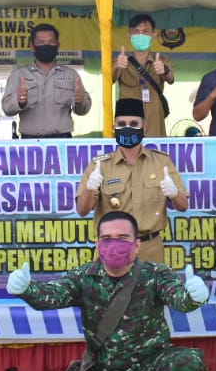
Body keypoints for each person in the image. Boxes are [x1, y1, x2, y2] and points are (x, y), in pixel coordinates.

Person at [6, 211, 209, 371]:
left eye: (122, 237)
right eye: (107, 238)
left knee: (188, 363)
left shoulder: (155, 274)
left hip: (151, 367)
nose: (114, 244)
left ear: (136, 244)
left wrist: (194, 296)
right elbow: (50, 296)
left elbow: (179, 298)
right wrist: (26, 289)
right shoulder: (84, 277)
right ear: (98, 244)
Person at [76, 98, 188, 265]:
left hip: (150, 250)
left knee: (151, 291)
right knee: (109, 292)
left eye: (133, 123)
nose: (127, 127)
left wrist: (174, 193)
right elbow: (82, 210)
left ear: (145, 127)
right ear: (114, 127)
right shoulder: (99, 165)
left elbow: (183, 206)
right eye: (121, 123)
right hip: (111, 249)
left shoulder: (161, 162)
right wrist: (89, 189)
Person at [1, 23, 91, 138]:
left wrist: (80, 101)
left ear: (58, 45)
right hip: (30, 141)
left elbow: (83, 110)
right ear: (32, 46)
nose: (47, 46)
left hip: (62, 141)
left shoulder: (71, 75)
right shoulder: (19, 75)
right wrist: (18, 101)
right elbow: (7, 109)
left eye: (51, 42)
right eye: (41, 43)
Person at [112, 13, 174, 137]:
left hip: (154, 121)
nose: (140, 35)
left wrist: (164, 70)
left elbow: (171, 79)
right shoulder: (121, 61)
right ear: (129, 36)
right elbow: (109, 80)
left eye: (145, 32)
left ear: (153, 36)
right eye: (136, 31)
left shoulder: (161, 60)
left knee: (155, 154)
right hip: (129, 122)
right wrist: (116, 67)